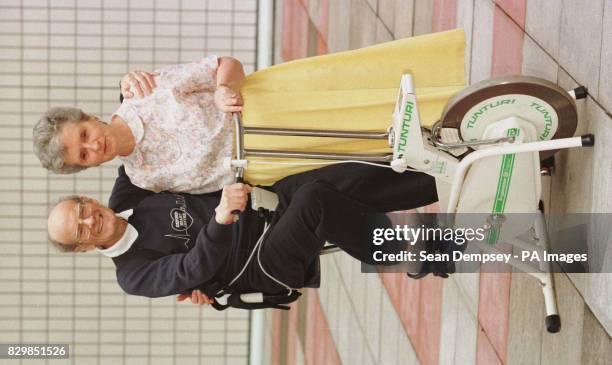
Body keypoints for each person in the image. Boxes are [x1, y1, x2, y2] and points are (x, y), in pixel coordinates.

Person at [33, 29, 466, 191]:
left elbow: (223, 65)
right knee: (372, 147)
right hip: (268, 160)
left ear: (89, 117)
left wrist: (222, 89)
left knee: (361, 98)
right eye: (84, 156)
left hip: (265, 107)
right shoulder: (141, 176)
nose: (95, 146)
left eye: (85, 136)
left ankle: (459, 88)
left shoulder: (144, 92)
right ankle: (471, 147)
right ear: (86, 167)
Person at [46, 163, 438, 307]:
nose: (88, 220)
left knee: (342, 175)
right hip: (260, 265)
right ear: (83, 247)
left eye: (81, 210)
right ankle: (414, 253)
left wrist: (129, 87)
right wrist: (219, 219)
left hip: (264, 206)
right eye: (79, 230)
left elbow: (127, 145)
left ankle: (441, 179)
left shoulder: (129, 194)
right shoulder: (131, 276)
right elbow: (193, 268)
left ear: (87, 198)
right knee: (317, 199)